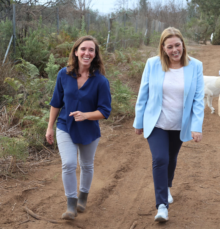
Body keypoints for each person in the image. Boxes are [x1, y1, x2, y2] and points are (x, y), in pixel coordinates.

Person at [133, 27, 204, 222]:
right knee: (160, 159)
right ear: (163, 48)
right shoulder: (152, 64)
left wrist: (196, 126)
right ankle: (162, 205)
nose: (175, 50)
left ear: (183, 45)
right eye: (170, 46)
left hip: (179, 123)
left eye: (177, 45)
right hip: (156, 123)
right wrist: (138, 121)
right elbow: (143, 94)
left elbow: (198, 99)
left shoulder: (195, 66)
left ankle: (167, 186)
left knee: (171, 158)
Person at [45, 35, 111, 220]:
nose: (86, 53)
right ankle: (71, 204)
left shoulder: (100, 81)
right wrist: (50, 127)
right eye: (83, 49)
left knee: (87, 165)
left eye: (91, 50)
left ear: (95, 54)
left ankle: (83, 196)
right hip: (65, 126)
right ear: (75, 51)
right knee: (69, 164)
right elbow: (56, 103)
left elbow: (105, 111)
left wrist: (86, 115)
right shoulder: (63, 74)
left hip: (89, 130)